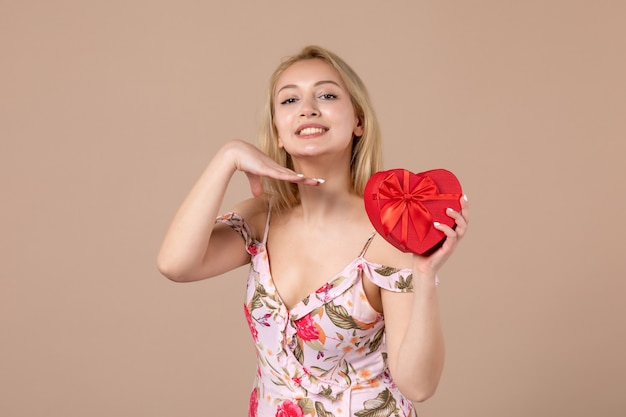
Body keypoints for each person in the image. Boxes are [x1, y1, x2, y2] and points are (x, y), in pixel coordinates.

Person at [157, 45, 469, 417]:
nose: (307, 108)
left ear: (359, 122)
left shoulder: (388, 232)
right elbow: (175, 264)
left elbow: (418, 385)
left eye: (327, 95)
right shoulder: (262, 218)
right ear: (278, 131)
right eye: (289, 99)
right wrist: (228, 156)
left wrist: (423, 275)